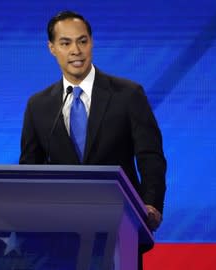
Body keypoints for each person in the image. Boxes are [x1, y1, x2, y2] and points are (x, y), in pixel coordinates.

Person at [19, 10, 166, 269]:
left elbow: (150, 155)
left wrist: (150, 203)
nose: (76, 50)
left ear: (92, 42)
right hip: (60, 233)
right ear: (52, 48)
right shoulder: (38, 106)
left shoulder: (128, 94)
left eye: (82, 40)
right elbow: (30, 166)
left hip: (121, 226)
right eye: (65, 43)